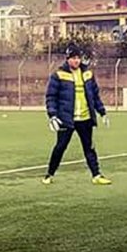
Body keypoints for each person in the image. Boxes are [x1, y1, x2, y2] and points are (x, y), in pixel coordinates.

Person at [42, 44, 111, 185]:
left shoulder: (88, 74)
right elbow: (51, 97)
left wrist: (102, 112)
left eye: (78, 58)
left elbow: (95, 95)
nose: (76, 61)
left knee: (89, 148)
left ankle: (96, 175)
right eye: (73, 58)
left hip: (85, 118)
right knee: (60, 147)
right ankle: (49, 174)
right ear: (67, 59)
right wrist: (53, 115)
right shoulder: (58, 75)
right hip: (66, 119)